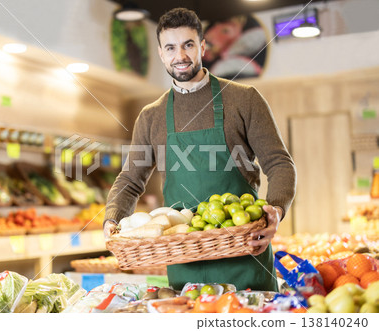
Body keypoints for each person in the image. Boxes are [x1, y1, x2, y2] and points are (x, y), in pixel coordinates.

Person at [103, 8, 297, 291]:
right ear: (160, 53)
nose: (179, 56)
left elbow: (279, 163)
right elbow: (131, 180)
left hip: (244, 254)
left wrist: (276, 210)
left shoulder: (244, 100)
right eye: (170, 47)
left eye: (188, 45)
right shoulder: (151, 116)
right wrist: (113, 217)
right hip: (184, 261)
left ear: (203, 47)